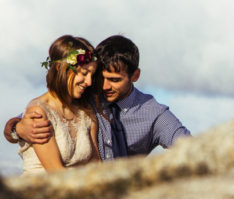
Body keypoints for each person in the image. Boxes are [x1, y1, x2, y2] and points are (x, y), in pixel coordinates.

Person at [4, 35, 191, 161]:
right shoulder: (82, 94)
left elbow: (190, 148)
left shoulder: (154, 113)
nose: (104, 86)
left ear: (135, 76)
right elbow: (15, 126)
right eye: (100, 78)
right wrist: (17, 128)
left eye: (115, 80)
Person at [15, 35, 100, 174]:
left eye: (92, 75)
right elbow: (56, 172)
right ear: (61, 68)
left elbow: (96, 164)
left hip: (82, 188)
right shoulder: (39, 112)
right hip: (45, 190)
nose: (89, 82)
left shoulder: (86, 112)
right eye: (84, 73)